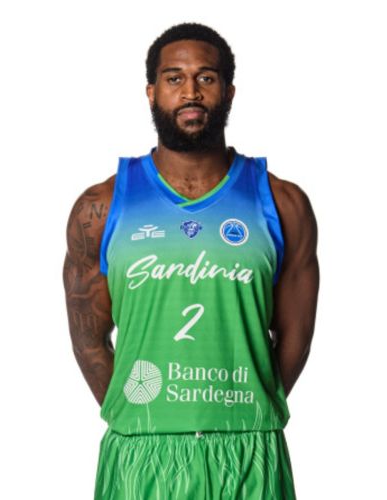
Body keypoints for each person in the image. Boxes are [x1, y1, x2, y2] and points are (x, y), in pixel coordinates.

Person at [63, 22, 319, 500]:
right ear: (151, 91)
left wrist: (244, 408)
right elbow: (88, 338)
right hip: (141, 450)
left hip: (249, 449)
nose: (190, 91)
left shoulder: (282, 203)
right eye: (174, 78)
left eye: (206, 77)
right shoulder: (101, 206)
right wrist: (143, 414)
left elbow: (296, 336)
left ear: (229, 91)